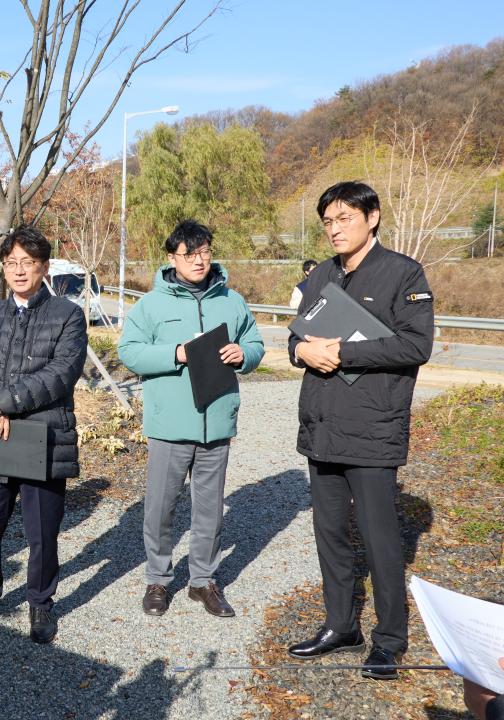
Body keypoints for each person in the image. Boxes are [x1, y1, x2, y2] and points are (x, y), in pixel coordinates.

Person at [286, 181, 434, 680]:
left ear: (372, 218)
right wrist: (301, 351)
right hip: (322, 426)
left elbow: (415, 345)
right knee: (329, 534)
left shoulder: (402, 272)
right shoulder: (321, 274)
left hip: (373, 428)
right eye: (328, 221)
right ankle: (341, 626)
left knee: (379, 539)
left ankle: (389, 640)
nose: (334, 229)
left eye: (344, 218)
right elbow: (297, 336)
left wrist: (342, 352)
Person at [0, 226, 88, 644]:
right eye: (12, 263)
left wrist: (5, 402)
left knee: (41, 530)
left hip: (43, 436)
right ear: (4, 268)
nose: (20, 270)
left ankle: (40, 601)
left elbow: (62, 373)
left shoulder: (67, 315)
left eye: (28, 262)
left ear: (44, 267)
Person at [117, 220, 263, 619]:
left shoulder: (232, 301)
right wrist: (175, 353)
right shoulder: (151, 305)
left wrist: (244, 355)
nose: (199, 261)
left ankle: (203, 581)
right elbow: (130, 351)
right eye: (189, 254)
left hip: (216, 421)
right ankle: (158, 580)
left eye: (205, 252)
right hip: (170, 425)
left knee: (210, 509)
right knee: (160, 508)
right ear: (171, 258)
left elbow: (254, 342)